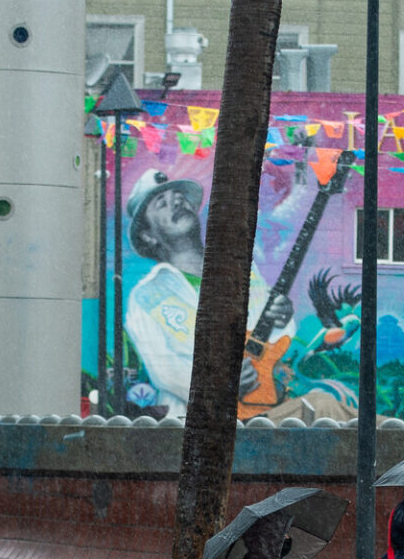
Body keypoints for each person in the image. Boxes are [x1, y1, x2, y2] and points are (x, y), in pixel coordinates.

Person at [120, 170, 293, 416]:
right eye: (162, 203)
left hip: (260, 410)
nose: (176, 202)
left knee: (323, 408)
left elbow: (273, 339)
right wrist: (223, 385)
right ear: (148, 235)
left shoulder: (242, 270)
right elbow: (166, 372)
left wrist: (281, 319)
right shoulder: (145, 296)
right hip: (196, 423)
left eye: (179, 196)